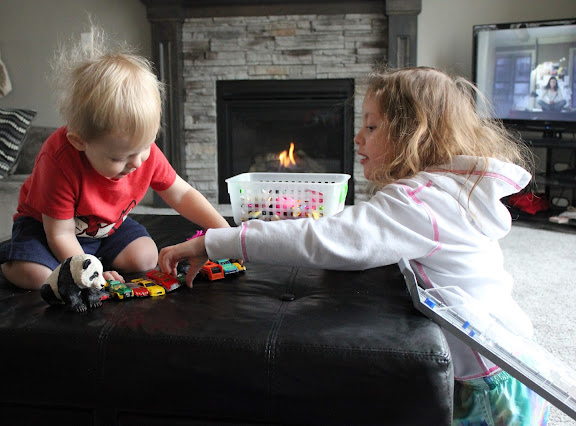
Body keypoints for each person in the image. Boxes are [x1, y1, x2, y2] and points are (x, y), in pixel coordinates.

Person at [158, 67, 550, 425]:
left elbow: (329, 239)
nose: (357, 137)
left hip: (486, 379)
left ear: (414, 133)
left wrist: (217, 241)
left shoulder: (420, 203)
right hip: (509, 353)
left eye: (372, 127)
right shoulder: (445, 189)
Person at [0, 26, 229, 290]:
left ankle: (97, 259)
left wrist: (224, 232)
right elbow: (60, 234)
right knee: (38, 277)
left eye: (145, 147)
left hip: (105, 229)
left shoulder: (141, 152)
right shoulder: (58, 161)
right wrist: (92, 273)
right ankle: (14, 259)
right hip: (47, 231)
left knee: (145, 257)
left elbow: (181, 194)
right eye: (120, 158)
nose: (137, 162)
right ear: (80, 142)